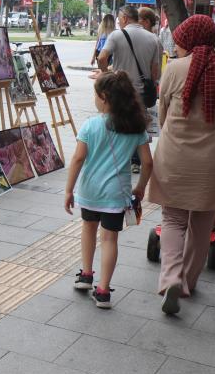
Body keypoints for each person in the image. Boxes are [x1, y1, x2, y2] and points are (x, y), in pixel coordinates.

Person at [147, 15, 215, 314]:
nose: (176, 47)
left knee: (174, 220)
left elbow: (163, 117)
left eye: (179, 42)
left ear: (189, 42)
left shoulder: (174, 70)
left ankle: (171, 278)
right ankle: (188, 282)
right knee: (202, 225)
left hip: (175, 156)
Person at [65, 71, 152, 309]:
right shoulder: (136, 127)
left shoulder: (91, 125)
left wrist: (68, 190)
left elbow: (78, 159)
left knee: (88, 229)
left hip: (91, 191)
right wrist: (141, 187)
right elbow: (148, 162)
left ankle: (86, 275)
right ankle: (103, 291)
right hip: (116, 194)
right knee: (110, 238)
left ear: (104, 97)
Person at [98, 5, 162, 172]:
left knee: (117, 122)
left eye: (119, 18)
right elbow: (155, 71)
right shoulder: (154, 38)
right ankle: (136, 161)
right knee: (138, 125)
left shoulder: (117, 35)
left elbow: (102, 57)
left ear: (125, 18)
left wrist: (107, 74)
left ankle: (119, 159)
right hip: (142, 91)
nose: (118, 21)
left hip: (121, 89)